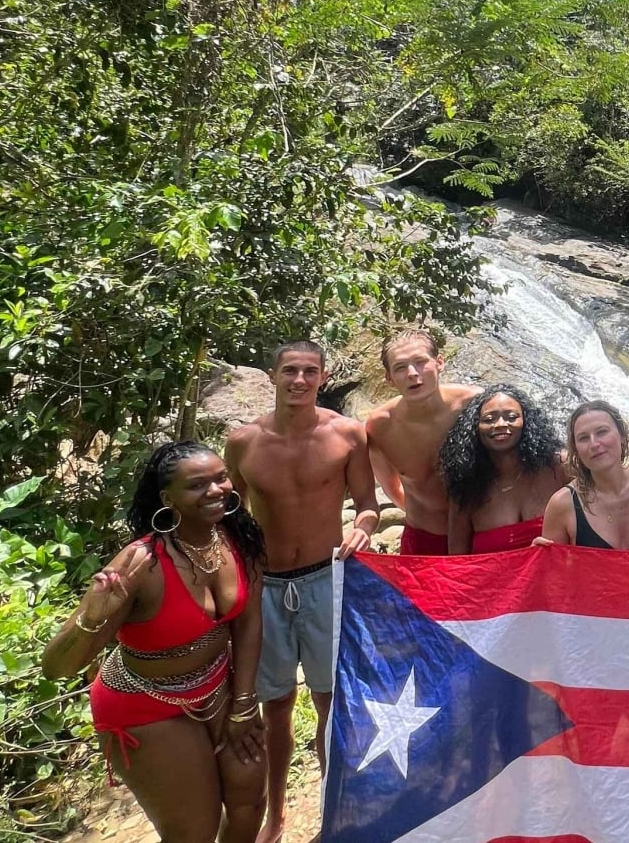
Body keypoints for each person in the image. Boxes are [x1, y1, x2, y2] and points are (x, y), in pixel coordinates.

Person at [42, 442, 268, 842]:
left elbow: (248, 623)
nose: (216, 490)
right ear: (168, 498)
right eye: (197, 485)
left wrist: (244, 703)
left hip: (218, 687)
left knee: (249, 801)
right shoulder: (140, 564)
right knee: (193, 832)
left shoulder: (239, 538)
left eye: (220, 478)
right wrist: (92, 621)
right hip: (146, 705)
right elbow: (56, 668)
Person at [224, 340, 380, 843]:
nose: (299, 380)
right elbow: (227, 513)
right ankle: (275, 815)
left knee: (330, 699)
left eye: (309, 371)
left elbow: (368, 503)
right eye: (289, 370)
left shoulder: (347, 434)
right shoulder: (243, 442)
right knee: (276, 706)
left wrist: (363, 527)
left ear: (322, 376)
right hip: (264, 586)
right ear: (271, 376)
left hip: (325, 579)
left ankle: (334, 805)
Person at [365, 328, 478, 555]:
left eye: (420, 362)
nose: (412, 373)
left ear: (439, 362)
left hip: (481, 535)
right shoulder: (380, 426)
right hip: (423, 540)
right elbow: (391, 488)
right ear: (388, 378)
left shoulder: (475, 405)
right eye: (400, 367)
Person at [440, 383, 569, 553]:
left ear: (526, 421)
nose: (500, 424)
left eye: (511, 416)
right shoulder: (466, 486)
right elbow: (457, 560)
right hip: (493, 579)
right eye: (488, 419)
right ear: (474, 427)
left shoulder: (560, 466)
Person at [536, 401, 629, 550]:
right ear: (576, 449)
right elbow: (551, 570)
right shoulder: (562, 504)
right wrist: (537, 556)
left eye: (602, 432)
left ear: (622, 435)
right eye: (583, 438)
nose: (594, 444)